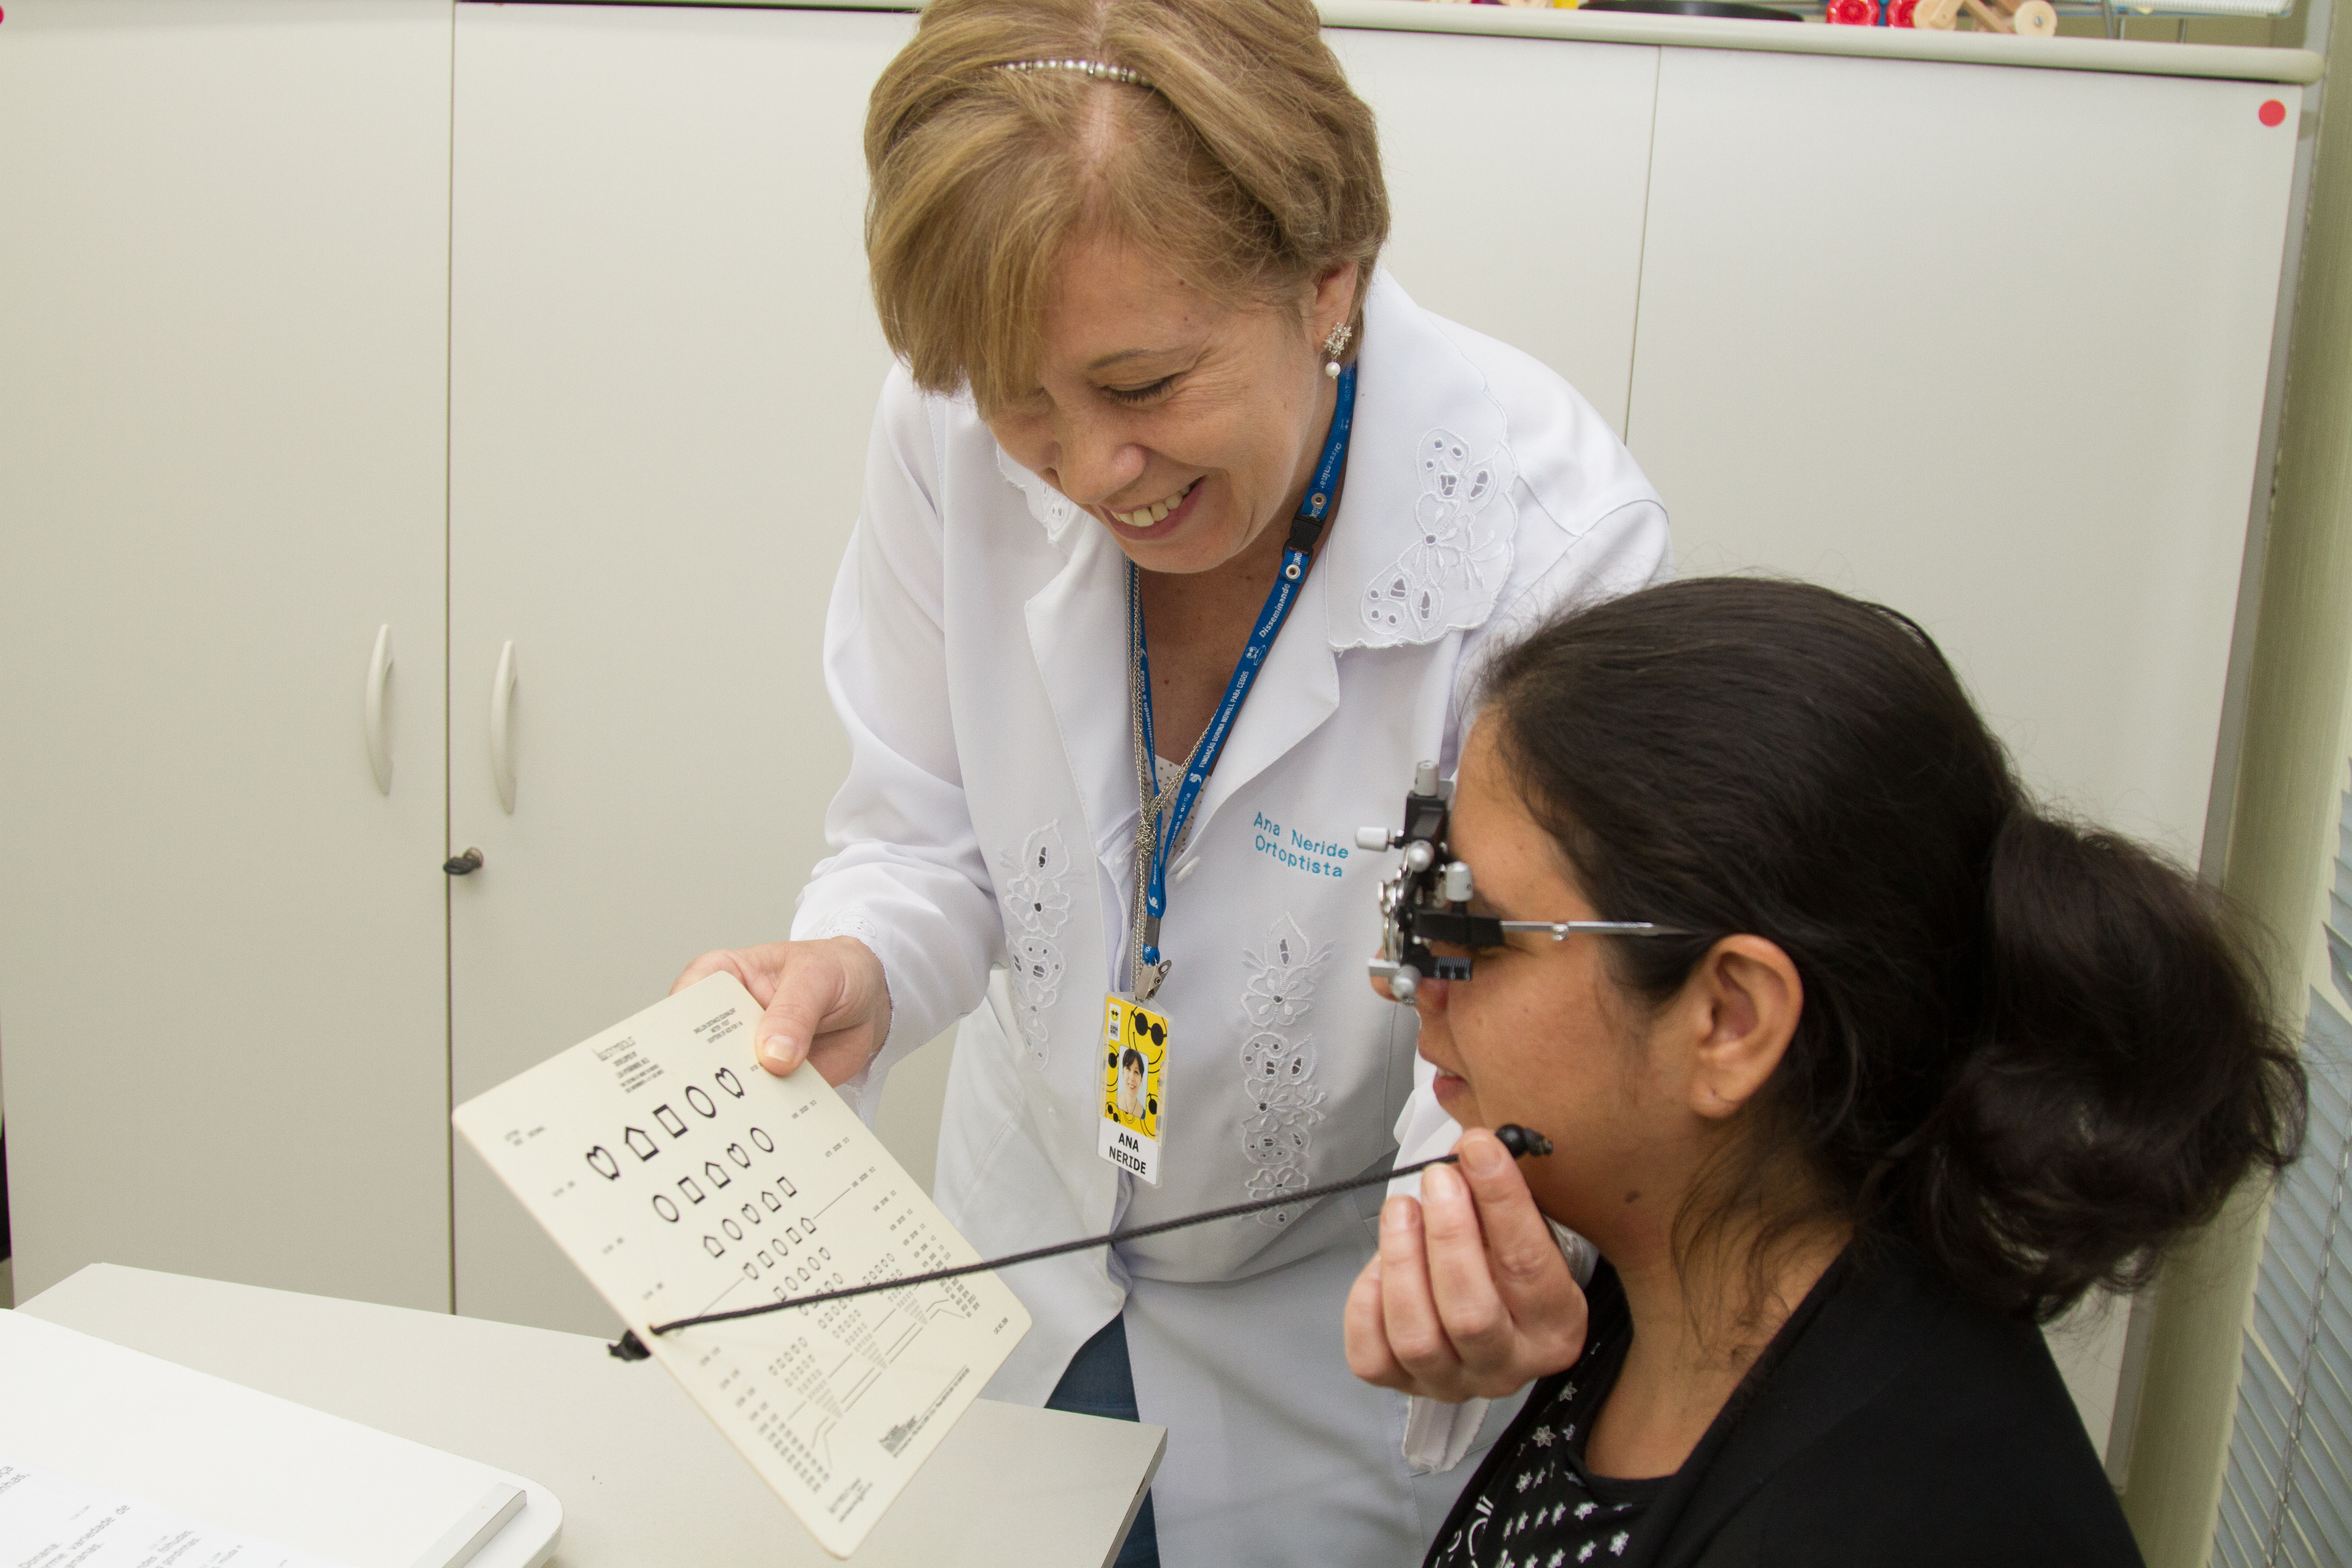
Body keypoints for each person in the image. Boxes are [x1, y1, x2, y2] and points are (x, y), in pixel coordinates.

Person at [671, 0, 1670, 1561]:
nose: (1082, 470)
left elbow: (1528, 1037)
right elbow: (922, 828)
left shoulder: (1547, 544)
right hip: (1020, 1245)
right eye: (1024, 406)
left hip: (1330, 1327)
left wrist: (1469, 1236)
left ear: (1327, 277)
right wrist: (861, 957)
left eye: (1142, 386)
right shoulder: (948, 425)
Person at [1343, 577, 2308, 1568]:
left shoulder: (1883, 1520)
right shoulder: (1675, 1295)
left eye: (1467, 929)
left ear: (1731, 1021)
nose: (1417, 986)